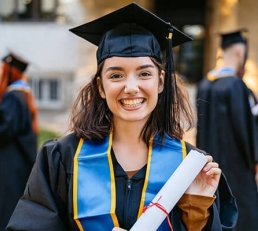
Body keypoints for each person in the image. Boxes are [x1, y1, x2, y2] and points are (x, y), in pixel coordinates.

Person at [7, 3, 237, 231]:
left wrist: (197, 212)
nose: (131, 87)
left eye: (144, 73)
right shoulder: (61, 158)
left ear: (160, 81)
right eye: (116, 75)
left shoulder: (190, 166)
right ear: (100, 86)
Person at [196, 28, 258, 231]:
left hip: (211, 168)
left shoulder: (205, 84)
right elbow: (246, 132)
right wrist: (255, 160)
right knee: (243, 214)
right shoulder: (236, 87)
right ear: (240, 52)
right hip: (238, 169)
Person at [0, 52, 39, 230]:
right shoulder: (23, 95)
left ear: (10, 71)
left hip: (10, 168)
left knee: (7, 212)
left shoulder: (13, 97)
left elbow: (4, 131)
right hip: (19, 165)